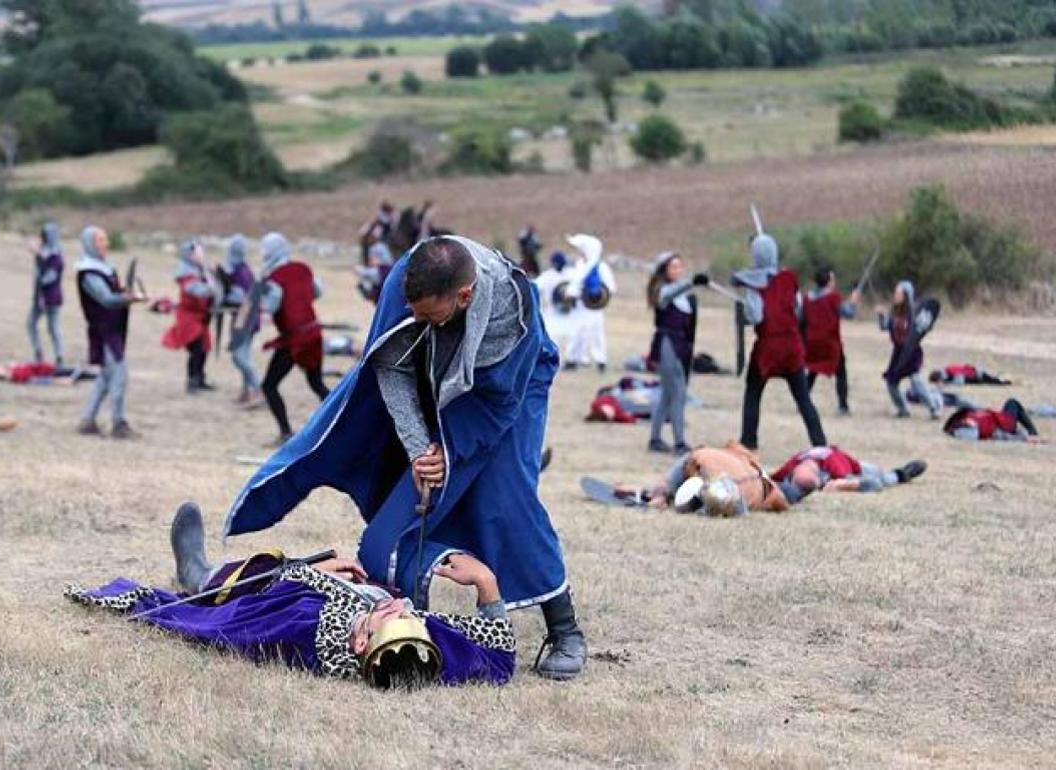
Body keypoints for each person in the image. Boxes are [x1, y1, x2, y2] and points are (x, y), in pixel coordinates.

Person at [221, 235, 586, 681]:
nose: (415, 318)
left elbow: (497, 405)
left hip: (511, 389)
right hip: (432, 377)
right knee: (400, 514)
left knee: (505, 496)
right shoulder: (405, 282)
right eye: (412, 310)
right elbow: (392, 366)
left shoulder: (513, 311)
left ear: (464, 296)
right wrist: (419, 450)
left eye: (427, 314)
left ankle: (565, 629)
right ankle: (418, 590)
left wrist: (449, 453)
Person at [67, 503, 515, 688]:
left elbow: (240, 622)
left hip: (277, 592)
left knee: (244, 583)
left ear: (360, 643)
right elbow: (497, 659)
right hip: (356, 586)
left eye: (392, 617)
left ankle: (197, 573)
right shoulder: (415, 649)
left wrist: (307, 571)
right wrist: (487, 584)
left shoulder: (303, 628)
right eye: (408, 617)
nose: (402, 612)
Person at [732, 231, 826, 450]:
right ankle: (820, 443)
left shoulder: (754, 285)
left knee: (753, 393)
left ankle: (749, 439)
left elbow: (756, 316)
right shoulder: (789, 278)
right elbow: (797, 309)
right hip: (792, 346)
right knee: (803, 399)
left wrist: (747, 301)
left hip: (768, 347)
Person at [256, 233, 329, 443]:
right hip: (313, 333)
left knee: (269, 385)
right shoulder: (304, 269)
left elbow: (272, 305)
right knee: (316, 383)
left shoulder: (274, 278)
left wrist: (257, 303)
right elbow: (316, 292)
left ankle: (286, 432)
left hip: (294, 340)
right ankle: (342, 423)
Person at [76, 226, 145, 439]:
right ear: (91, 244)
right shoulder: (89, 273)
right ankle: (118, 423)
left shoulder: (103, 268)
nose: (106, 244)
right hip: (103, 330)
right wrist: (129, 298)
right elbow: (105, 298)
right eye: (101, 240)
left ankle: (88, 420)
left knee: (106, 377)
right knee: (119, 375)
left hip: (113, 328)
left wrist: (127, 295)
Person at [599, 441, 790, 515]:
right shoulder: (699, 462)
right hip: (726, 466)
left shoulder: (744, 493)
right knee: (667, 487)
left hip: (732, 471)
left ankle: (653, 493)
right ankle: (654, 493)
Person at [645, 251, 709, 453]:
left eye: (680, 266)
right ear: (664, 270)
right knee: (678, 394)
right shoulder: (661, 291)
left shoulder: (685, 296)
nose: (678, 270)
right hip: (667, 345)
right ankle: (680, 443)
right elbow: (667, 295)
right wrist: (692, 282)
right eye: (673, 267)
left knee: (667, 394)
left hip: (681, 346)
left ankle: (654, 439)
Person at [162, 240, 222, 394]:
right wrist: (211, 288)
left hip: (201, 316)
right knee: (197, 349)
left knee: (204, 349)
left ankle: (200, 379)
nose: (201, 255)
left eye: (201, 252)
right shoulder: (187, 274)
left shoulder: (201, 270)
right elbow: (196, 290)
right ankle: (192, 382)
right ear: (189, 255)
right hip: (189, 317)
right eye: (197, 252)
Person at [770, 446, 927, 503]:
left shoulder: (835, 467)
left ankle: (902, 474)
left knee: (882, 478)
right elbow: (769, 479)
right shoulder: (790, 466)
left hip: (856, 467)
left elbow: (874, 485)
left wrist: (844, 485)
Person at [879, 281, 941, 419]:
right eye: (895, 293)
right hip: (898, 352)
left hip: (911, 351)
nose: (895, 296)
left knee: (917, 382)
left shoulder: (915, 313)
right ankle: (903, 409)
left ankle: (933, 407)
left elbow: (920, 330)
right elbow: (884, 327)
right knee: (891, 382)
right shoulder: (893, 312)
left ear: (906, 295)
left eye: (898, 293)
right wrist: (881, 316)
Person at [803, 267, 859, 416]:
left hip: (812, 343)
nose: (834, 282)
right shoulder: (833, 297)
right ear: (828, 281)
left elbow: (801, 319)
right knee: (841, 372)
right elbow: (848, 313)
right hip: (830, 343)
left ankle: (802, 400)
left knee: (813, 371)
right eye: (832, 279)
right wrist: (853, 302)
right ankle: (843, 405)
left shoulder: (807, 298)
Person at [564, 234, 615, 373]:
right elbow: (573, 283)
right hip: (579, 305)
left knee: (596, 333)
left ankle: (601, 361)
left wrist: (598, 294)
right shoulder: (580, 265)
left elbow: (610, 287)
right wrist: (572, 294)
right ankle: (572, 360)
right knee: (576, 332)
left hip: (594, 305)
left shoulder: (600, 267)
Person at [222, 235, 262, 406]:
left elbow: (244, 299)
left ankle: (259, 389)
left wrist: (226, 296)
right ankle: (246, 392)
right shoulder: (239, 270)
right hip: (244, 319)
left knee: (239, 357)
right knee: (243, 355)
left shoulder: (243, 273)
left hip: (246, 320)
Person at [27, 222, 65, 365]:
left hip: (51, 298)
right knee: (31, 324)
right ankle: (38, 352)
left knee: (53, 327)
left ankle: (59, 355)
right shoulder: (44, 253)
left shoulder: (55, 256)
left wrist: (39, 256)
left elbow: (49, 277)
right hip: (39, 297)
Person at [533, 251, 575, 356]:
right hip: (552, 313)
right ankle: (553, 359)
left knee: (572, 339)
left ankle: (572, 361)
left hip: (569, 312)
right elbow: (535, 286)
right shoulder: (548, 275)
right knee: (553, 340)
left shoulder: (571, 274)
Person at [943, 398, 1042, 442]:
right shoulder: (975, 427)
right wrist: (1024, 439)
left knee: (1013, 403)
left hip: (1002, 420)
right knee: (1013, 402)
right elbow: (997, 435)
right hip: (1005, 424)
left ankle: (1033, 433)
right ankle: (1033, 433)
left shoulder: (969, 416)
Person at [0, 360, 94, 385]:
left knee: (81, 372)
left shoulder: (13, 369)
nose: (1, 366)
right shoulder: (17, 377)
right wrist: (60, 382)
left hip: (50, 368)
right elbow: (38, 380)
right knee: (81, 374)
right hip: (51, 373)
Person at [358, 200, 396, 265]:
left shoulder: (389, 215)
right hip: (383, 234)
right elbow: (385, 224)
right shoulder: (382, 216)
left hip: (383, 232)